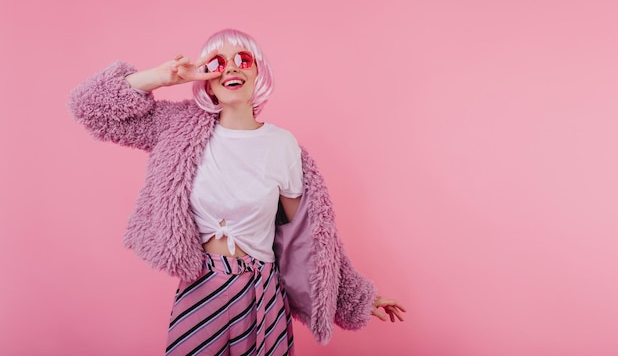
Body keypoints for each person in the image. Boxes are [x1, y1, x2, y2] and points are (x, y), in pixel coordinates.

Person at [69, 29, 405, 355]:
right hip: (202, 286)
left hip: (263, 293)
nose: (230, 67)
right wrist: (160, 77)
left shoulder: (282, 146)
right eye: (216, 62)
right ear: (207, 79)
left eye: (243, 59)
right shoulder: (177, 128)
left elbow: (308, 236)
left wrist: (356, 296)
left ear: (258, 71)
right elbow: (90, 109)